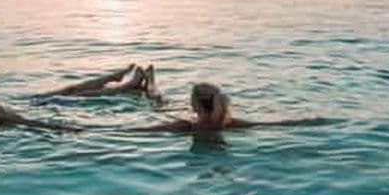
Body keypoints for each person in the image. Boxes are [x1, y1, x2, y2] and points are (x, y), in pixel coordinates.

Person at [135, 82, 327, 132]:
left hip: (186, 121)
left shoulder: (184, 126)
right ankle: (150, 86)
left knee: (158, 104)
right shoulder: (231, 124)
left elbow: (137, 131)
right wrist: (309, 121)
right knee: (161, 105)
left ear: (195, 106)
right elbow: (276, 124)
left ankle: (150, 85)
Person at [36, 63, 163, 101]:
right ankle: (126, 85)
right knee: (74, 95)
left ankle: (113, 77)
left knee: (68, 91)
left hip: (29, 103)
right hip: (30, 106)